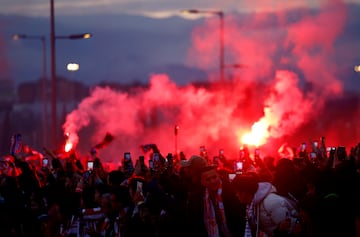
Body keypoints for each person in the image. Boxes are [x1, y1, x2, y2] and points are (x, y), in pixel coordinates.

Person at [232, 174, 300, 237]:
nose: (236, 195)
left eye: (237, 192)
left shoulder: (271, 202)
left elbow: (289, 229)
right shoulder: (251, 206)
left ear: (244, 192)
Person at [185, 165, 243, 237]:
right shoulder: (197, 198)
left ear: (219, 176)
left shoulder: (231, 192)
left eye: (214, 177)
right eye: (208, 179)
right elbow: (193, 221)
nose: (212, 181)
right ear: (202, 182)